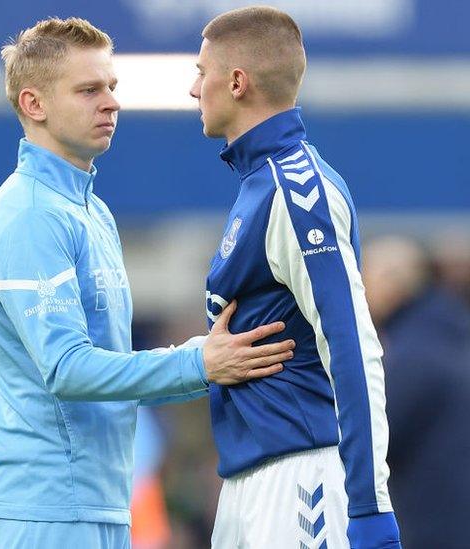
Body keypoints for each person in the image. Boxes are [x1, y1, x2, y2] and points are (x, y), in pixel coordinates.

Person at [0, 17, 294, 549]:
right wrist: (197, 362)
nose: (111, 102)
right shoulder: (27, 216)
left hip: (100, 500)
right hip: (45, 510)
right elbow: (66, 368)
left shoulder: (91, 212)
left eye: (112, 87)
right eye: (89, 89)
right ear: (34, 104)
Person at [189, 7, 402, 548]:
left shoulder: (298, 190)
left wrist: (371, 504)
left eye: (201, 71)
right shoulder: (259, 185)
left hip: (301, 479)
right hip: (248, 481)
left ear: (237, 82)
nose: (194, 89)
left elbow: (352, 343)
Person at [362, 236, 470, 549]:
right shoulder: (455, 328)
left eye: (366, 276)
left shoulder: (416, 349)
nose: (359, 291)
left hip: (440, 527)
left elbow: (375, 439)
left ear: (392, 281)